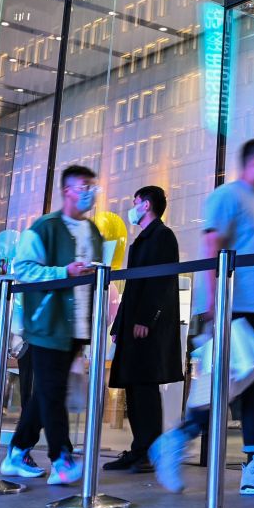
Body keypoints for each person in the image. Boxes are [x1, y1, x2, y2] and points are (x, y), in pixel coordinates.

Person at [151, 139, 254, 496]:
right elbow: (211, 247)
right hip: (234, 308)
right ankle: (176, 440)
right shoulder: (228, 196)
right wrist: (216, 306)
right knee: (223, 388)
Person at [0, 165, 102, 486]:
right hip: (46, 324)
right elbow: (23, 269)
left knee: (46, 391)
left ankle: (17, 451)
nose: (90, 192)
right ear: (67, 190)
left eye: (92, 186)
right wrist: (63, 272)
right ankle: (62, 458)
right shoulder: (43, 228)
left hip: (77, 326)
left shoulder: (94, 232)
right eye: (83, 185)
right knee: (53, 391)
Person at [103, 186, 182, 473]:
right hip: (134, 326)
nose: (132, 207)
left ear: (146, 205)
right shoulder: (142, 241)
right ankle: (140, 449)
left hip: (147, 329)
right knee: (135, 388)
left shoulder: (162, 236)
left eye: (135, 202)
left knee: (145, 387)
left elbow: (160, 284)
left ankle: (149, 450)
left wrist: (145, 320)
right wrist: (119, 324)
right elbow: (132, 288)